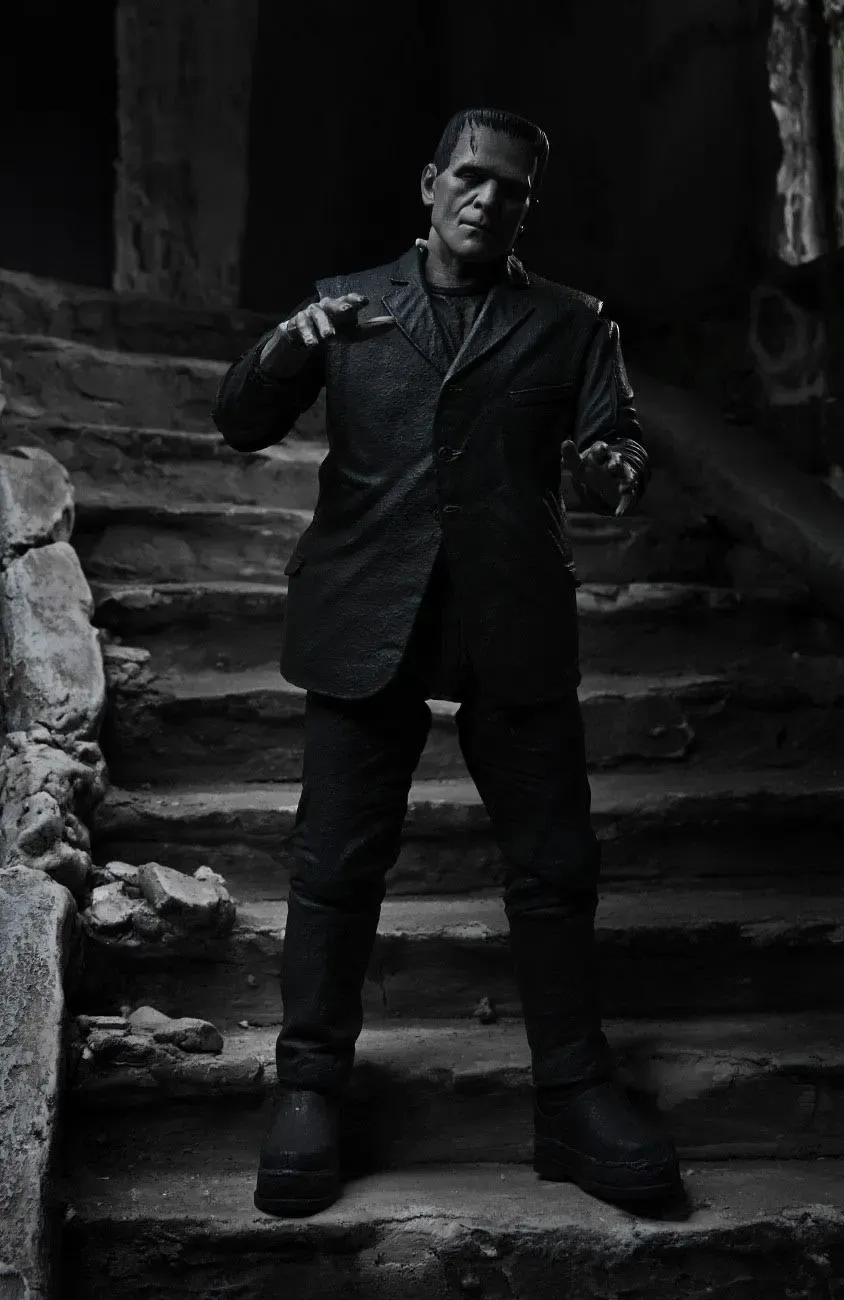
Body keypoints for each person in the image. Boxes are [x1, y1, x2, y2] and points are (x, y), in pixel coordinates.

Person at [212, 107, 682, 1218]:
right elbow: (240, 422)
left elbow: (619, 440)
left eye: (511, 189)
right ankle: (309, 1088)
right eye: (470, 177)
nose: (487, 198)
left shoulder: (571, 324)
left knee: (554, 866)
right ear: (429, 185)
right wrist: (286, 345)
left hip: (509, 618)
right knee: (334, 866)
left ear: (526, 209)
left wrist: (611, 466)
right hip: (365, 611)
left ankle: (574, 1095)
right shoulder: (347, 306)